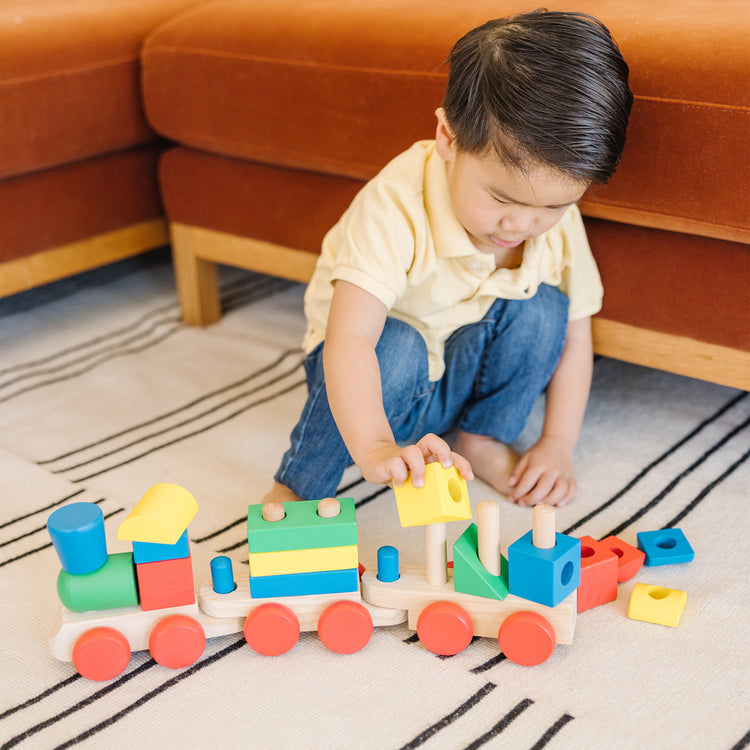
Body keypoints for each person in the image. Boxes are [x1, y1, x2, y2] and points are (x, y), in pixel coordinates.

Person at [264, 10, 632, 507]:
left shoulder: (554, 222)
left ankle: (481, 440)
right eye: (502, 200)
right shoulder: (396, 204)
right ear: (449, 138)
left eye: (554, 206)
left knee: (547, 310)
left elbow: (575, 335)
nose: (521, 226)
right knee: (396, 346)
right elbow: (349, 340)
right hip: (369, 384)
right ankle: (298, 485)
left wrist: (556, 445)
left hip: (456, 372)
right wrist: (375, 446)